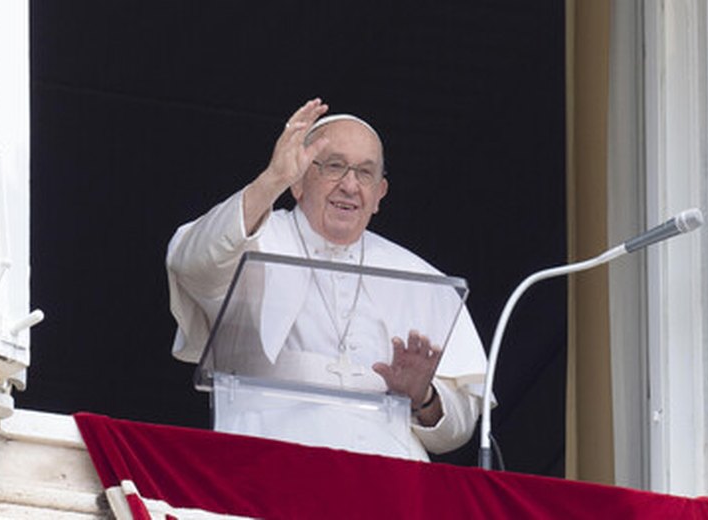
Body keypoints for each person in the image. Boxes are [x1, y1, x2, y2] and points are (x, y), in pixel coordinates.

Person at [166, 98, 487, 461]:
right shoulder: (256, 237)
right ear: (298, 182)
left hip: (388, 481)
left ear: (379, 196)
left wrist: (423, 398)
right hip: (270, 462)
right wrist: (270, 181)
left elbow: (461, 425)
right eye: (334, 167)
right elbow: (193, 263)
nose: (350, 185)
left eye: (365, 173)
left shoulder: (421, 277)